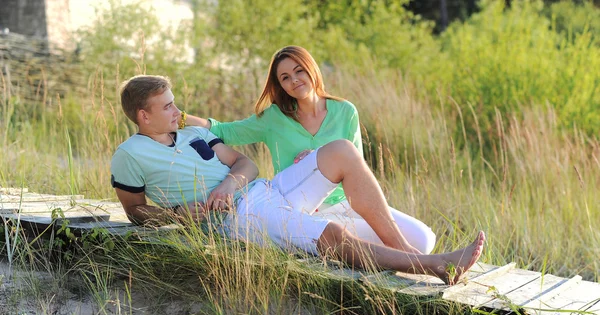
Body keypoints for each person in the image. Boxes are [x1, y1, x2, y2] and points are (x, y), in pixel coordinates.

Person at [111, 74, 485, 285]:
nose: (178, 111)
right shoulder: (129, 155)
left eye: (175, 102)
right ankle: (433, 265)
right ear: (144, 116)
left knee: (341, 150)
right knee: (329, 235)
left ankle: (419, 257)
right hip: (237, 222)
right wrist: (177, 214)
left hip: (262, 191)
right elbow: (135, 212)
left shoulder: (194, 136)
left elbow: (245, 164)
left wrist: (229, 184)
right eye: (168, 106)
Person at [182, 45, 436, 255]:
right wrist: (177, 116)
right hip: (300, 206)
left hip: (341, 205)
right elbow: (223, 130)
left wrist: (320, 163)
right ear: (280, 86)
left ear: (311, 69)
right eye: (285, 78)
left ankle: (390, 249)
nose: (294, 80)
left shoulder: (345, 112)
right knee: (404, 246)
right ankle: (395, 249)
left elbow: (358, 170)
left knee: (424, 240)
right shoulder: (274, 118)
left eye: (298, 71)